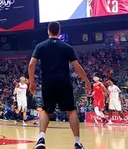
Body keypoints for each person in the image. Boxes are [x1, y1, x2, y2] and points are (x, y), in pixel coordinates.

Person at [28, 21, 90, 149]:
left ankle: (41, 139)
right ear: (59, 32)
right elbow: (77, 67)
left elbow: (31, 65)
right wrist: (86, 81)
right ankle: (77, 142)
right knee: (71, 111)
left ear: (48, 31)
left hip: (48, 82)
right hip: (64, 82)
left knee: (46, 111)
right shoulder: (67, 47)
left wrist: (32, 83)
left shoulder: (40, 46)